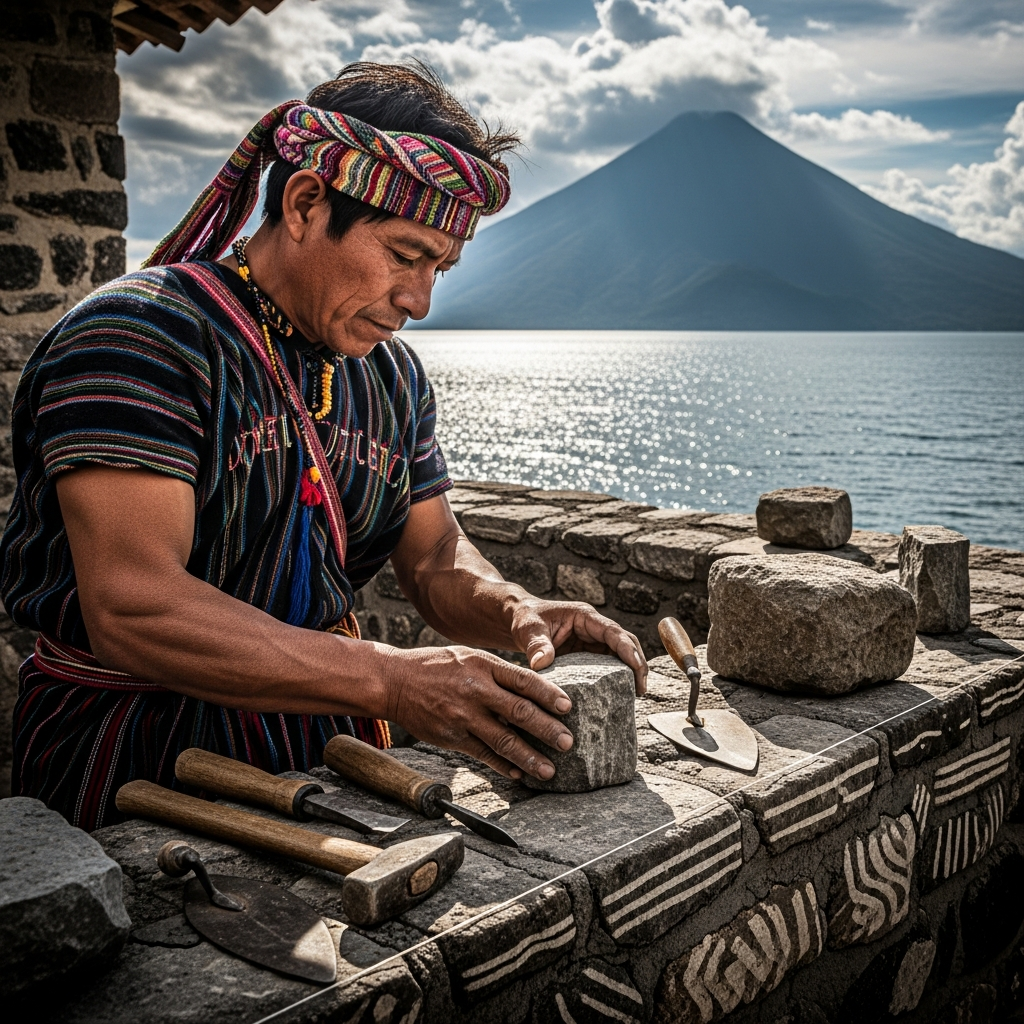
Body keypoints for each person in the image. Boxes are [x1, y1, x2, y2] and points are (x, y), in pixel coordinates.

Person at [0, 62, 647, 831]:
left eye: (440, 267)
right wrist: (389, 680)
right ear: (306, 202)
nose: (421, 300)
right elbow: (136, 605)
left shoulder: (392, 377)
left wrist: (516, 608)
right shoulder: (141, 338)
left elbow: (437, 557)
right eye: (406, 255)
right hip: (132, 758)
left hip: (323, 749)